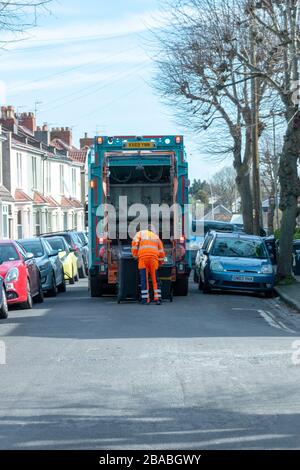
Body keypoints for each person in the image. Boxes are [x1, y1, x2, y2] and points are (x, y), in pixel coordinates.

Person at [131, 224, 165, 305]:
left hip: (143, 259)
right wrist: (160, 262)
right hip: (153, 259)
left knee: (144, 279)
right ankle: (157, 298)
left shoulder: (140, 233)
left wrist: (135, 255)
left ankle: (145, 300)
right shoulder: (156, 237)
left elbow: (134, 243)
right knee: (155, 279)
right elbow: (161, 252)